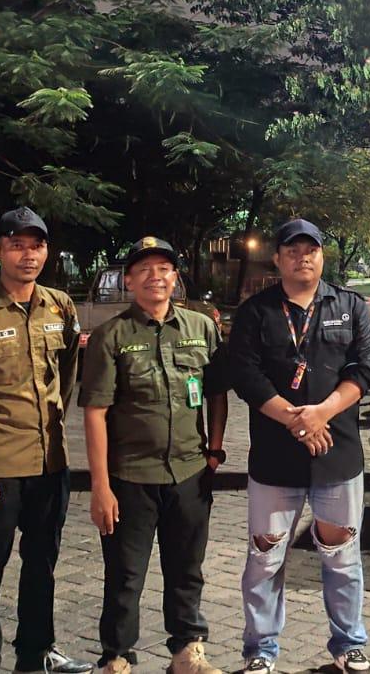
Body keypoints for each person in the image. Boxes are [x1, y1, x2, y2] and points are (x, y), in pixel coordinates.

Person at [207, 219, 370, 674]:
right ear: (278, 258)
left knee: (343, 558)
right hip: (275, 458)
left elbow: (365, 368)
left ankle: (349, 644)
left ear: (322, 255)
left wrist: (322, 413)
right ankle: (260, 651)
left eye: (311, 250)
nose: (302, 257)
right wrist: (296, 420)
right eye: (292, 250)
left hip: (337, 455)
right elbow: (245, 374)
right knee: (264, 559)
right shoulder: (256, 312)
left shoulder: (350, 305)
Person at [0, 207, 91, 674]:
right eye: (17, 245)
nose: (28, 255)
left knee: (42, 564)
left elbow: (66, 377)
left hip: (50, 463)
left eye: (37, 245)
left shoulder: (60, 306)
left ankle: (36, 653)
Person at [81, 237, 229, 674]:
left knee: (187, 569)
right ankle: (117, 656)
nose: (155, 277)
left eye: (164, 268)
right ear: (128, 280)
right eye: (144, 269)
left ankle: (186, 651)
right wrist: (101, 486)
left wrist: (215, 449)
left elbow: (217, 393)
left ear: (175, 278)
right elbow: (95, 412)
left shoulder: (201, 327)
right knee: (125, 575)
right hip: (130, 476)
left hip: (190, 471)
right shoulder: (111, 336)